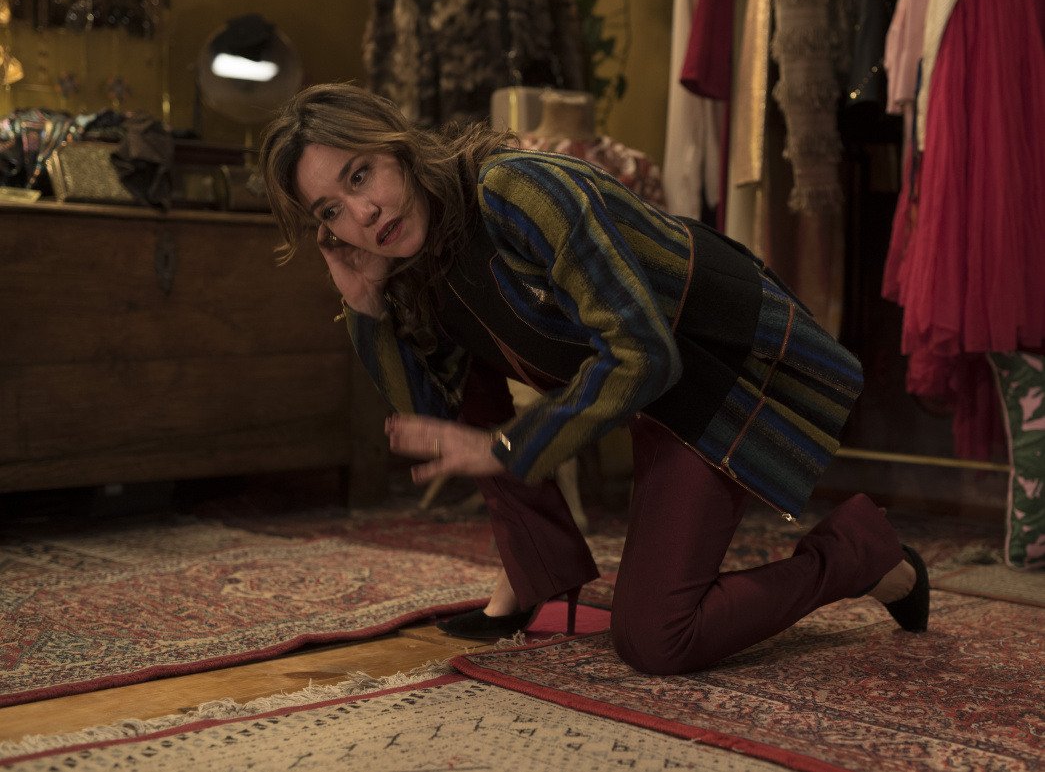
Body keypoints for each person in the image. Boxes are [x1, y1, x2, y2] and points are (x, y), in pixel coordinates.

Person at [259, 82, 929, 675]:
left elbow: (643, 352)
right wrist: (366, 305)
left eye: (360, 175)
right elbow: (431, 423)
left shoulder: (515, 189)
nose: (361, 214)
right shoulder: (416, 255)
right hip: (646, 388)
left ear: (399, 149)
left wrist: (507, 447)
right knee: (466, 406)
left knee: (657, 639)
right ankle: (538, 574)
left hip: (719, 366)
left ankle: (858, 552)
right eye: (330, 211)